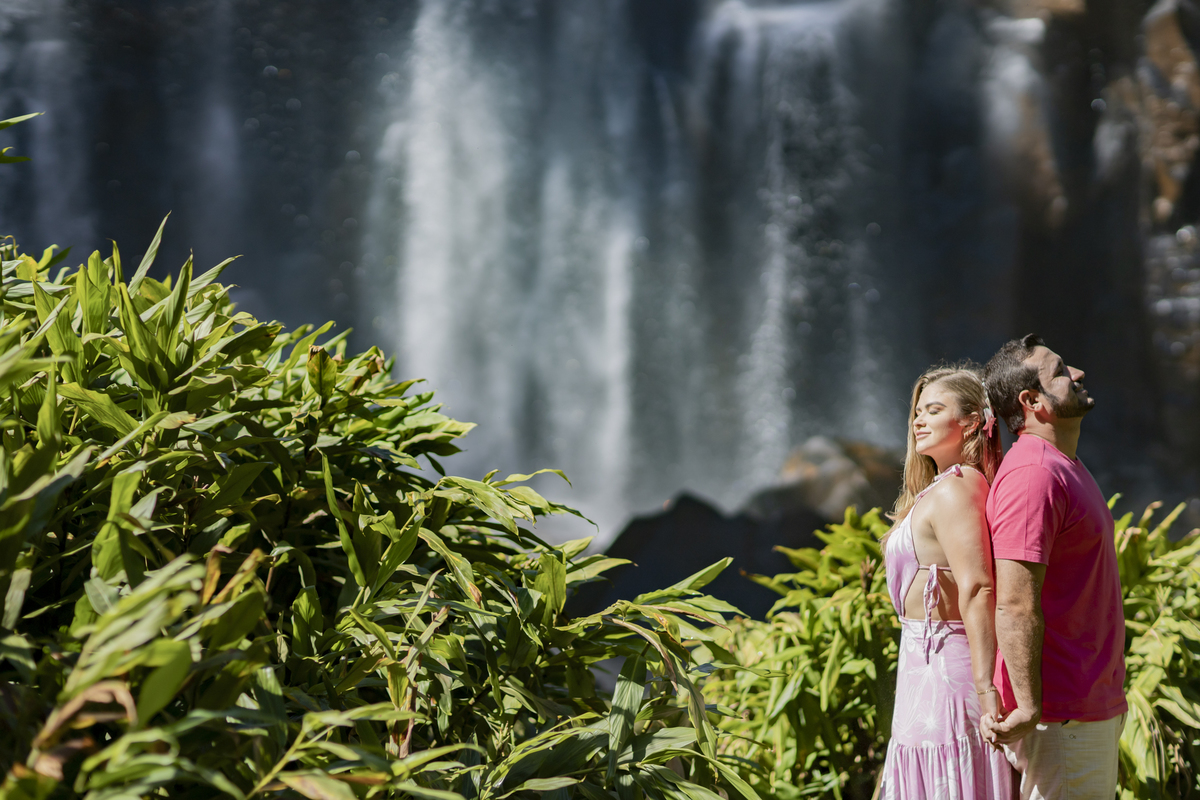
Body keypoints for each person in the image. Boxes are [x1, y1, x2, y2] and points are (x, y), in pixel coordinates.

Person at [980, 335, 1127, 799]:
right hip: (1063, 715)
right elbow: (1015, 602)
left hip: (1083, 705)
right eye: (1061, 371)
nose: (1077, 374)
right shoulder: (1035, 475)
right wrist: (1028, 705)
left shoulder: (1062, 464)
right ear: (1032, 401)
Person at [879, 364, 1015, 798]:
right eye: (917, 412)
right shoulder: (940, 488)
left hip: (947, 671)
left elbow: (978, 588)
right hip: (923, 668)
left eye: (933, 410)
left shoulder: (957, 489)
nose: (918, 420)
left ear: (972, 421)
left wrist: (986, 686)